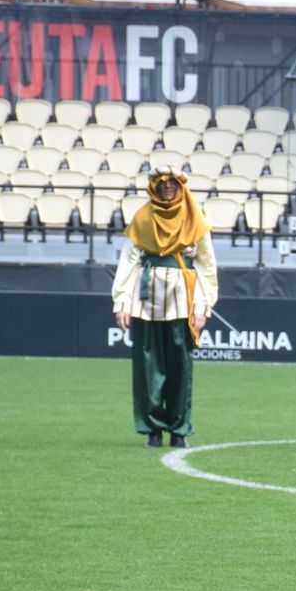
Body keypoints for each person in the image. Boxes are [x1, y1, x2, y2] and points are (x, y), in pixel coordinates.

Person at [110, 166, 219, 448]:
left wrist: (203, 306)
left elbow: (207, 265)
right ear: (154, 187)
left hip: (182, 300)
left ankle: (179, 428)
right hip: (146, 300)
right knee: (148, 366)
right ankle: (153, 428)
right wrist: (121, 301)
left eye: (172, 183)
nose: (168, 188)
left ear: (180, 187)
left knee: (180, 367)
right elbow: (128, 260)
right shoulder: (144, 218)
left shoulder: (194, 218)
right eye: (163, 184)